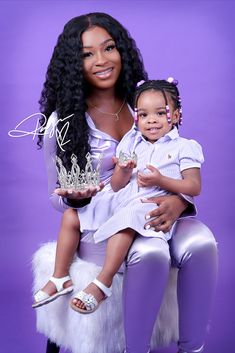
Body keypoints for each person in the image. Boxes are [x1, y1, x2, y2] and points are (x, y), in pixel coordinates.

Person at [35, 12, 218, 353]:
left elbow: (175, 163)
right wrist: (76, 198)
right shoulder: (62, 122)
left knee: (203, 244)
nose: (101, 60)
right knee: (149, 252)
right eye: (87, 54)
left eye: (109, 48)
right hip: (102, 221)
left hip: (156, 207)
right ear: (74, 63)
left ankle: (192, 348)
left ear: (123, 52)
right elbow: (56, 197)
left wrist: (179, 203)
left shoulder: (145, 103)